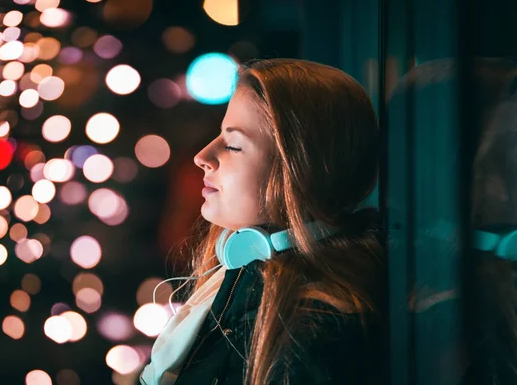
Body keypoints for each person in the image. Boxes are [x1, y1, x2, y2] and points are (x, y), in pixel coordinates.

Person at [139, 59, 389, 384]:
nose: (202, 156)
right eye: (219, 134)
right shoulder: (243, 279)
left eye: (233, 144)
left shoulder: (312, 334)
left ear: (297, 171)